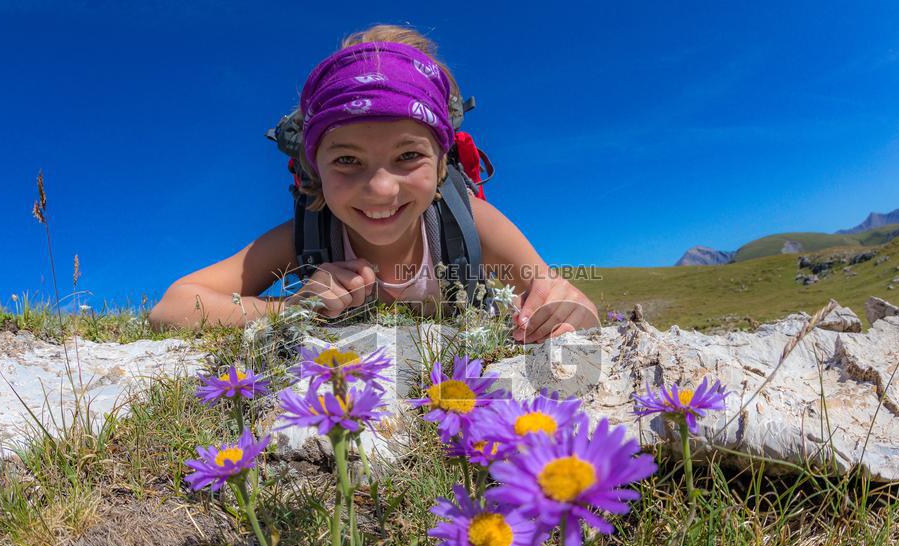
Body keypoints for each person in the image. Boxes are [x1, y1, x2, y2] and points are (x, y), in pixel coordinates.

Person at [149, 25, 598, 344]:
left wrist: (560, 310)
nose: (381, 188)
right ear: (313, 168)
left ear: (442, 163)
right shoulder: (308, 235)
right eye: (347, 160)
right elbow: (171, 307)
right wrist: (295, 309)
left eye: (408, 156)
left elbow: (568, 302)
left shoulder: (471, 224)